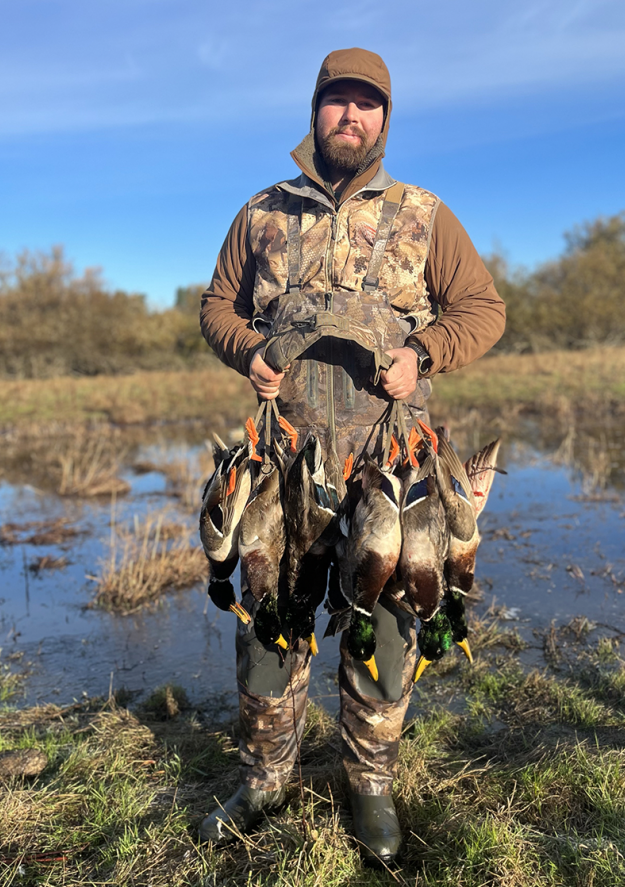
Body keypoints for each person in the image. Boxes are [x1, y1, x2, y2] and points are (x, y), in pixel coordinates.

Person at [196, 47, 505, 863]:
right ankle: (265, 775)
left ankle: (368, 782)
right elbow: (216, 305)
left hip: (389, 463)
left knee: (394, 615)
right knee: (270, 616)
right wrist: (246, 352)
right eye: (339, 101)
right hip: (285, 461)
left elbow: (482, 308)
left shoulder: (423, 214)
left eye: (368, 105)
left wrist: (425, 353)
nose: (352, 117)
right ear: (316, 110)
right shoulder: (261, 212)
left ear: (385, 120)